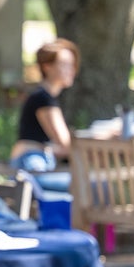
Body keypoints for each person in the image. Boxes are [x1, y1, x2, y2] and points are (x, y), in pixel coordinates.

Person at [9, 38, 79, 191]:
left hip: (37, 165)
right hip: (32, 168)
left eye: (72, 65)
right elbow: (66, 145)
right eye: (65, 65)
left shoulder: (44, 96)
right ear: (47, 67)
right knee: (91, 186)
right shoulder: (43, 98)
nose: (71, 70)